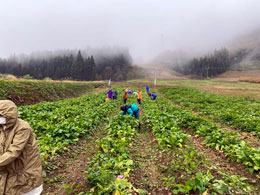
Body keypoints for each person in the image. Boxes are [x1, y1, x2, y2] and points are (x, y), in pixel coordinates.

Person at [0, 100, 43, 195]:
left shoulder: (23, 128)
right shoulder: (2, 127)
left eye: (1, 116)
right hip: (10, 168)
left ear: (9, 115)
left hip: (25, 169)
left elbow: (14, 151)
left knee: (25, 189)